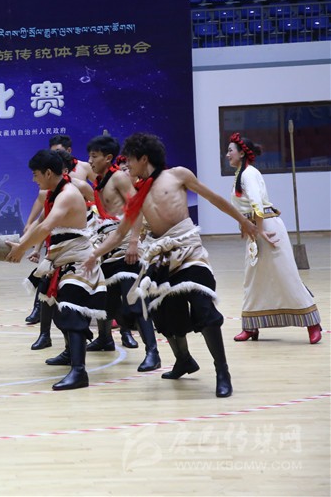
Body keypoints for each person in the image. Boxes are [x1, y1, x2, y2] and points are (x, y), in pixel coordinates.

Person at [84, 133, 275, 398]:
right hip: (160, 256)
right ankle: (183, 360)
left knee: (204, 308)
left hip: (189, 251)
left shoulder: (178, 175)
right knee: (165, 312)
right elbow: (119, 233)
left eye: (130, 161)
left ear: (143, 159)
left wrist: (243, 221)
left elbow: (214, 198)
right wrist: (95, 254)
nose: (126, 166)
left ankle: (222, 371)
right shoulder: (137, 194)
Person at [6, 149, 107, 390]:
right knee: (55, 307)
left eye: (35, 174)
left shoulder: (68, 194)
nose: (34, 179)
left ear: (48, 173)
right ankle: (70, 353)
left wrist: (22, 249)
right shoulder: (54, 193)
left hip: (78, 261)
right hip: (60, 260)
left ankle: (79, 372)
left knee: (71, 312)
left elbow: (47, 226)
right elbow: (41, 223)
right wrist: (20, 245)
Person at [226, 133, 321, 343]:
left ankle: (312, 323)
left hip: (267, 229)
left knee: (286, 276)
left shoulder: (249, 174)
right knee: (253, 279)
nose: (227, 154)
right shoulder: (241, 174)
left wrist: (260, 230)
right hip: (257, 229)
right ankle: (251, 326)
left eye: (230, 150)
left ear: (241, 153)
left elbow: (257, 204)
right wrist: (246, 226)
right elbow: (246, 207)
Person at [85, 135, 159, 372]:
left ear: (108, 158)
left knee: (135, 300)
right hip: (108, 244)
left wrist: (134, 242)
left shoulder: (118, 177)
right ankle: (105, 339)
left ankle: (152, 352)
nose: (90, 161)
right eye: (89, 156)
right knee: (105, 299)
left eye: (94, 156)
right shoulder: (99, 180)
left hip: (125, 245)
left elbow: (136, 207)